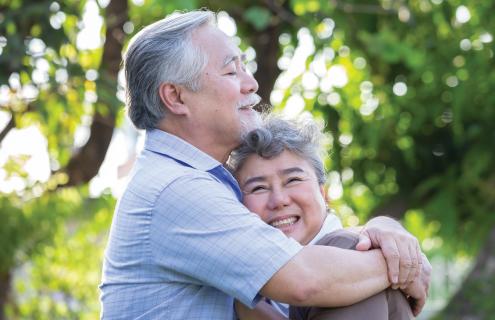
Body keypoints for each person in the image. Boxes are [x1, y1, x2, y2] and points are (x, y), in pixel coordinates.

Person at [99, 9, 429, 319]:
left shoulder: (185, 181)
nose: (252, 84)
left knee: (350, 260)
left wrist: (386, 230)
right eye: (231, 71)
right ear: (176, 97)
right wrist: (405, 263)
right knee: (347, 259)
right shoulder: (177, 188)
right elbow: (307, 281)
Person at [230, 115, 430, 319]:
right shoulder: (243, 269)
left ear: (323, 193)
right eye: (259, 188)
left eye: (293, 180)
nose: (279, 200)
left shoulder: (356, 246)